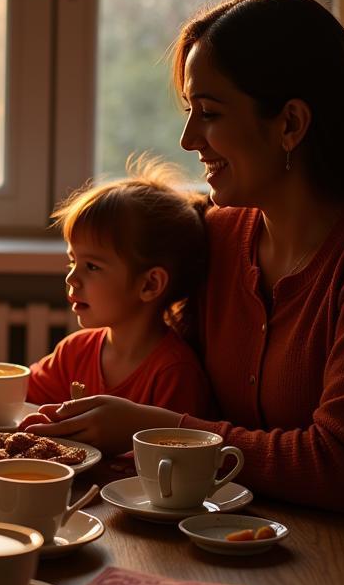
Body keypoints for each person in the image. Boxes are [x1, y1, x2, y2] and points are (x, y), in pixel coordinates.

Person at [28, 0, 344, 585]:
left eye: (208, 111)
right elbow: (153, 353)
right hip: (219, 562)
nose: (185, 137)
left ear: (291, 125)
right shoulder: (220, 236)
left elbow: (342, 467)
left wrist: (146, 427)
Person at [21, 159, 211, 421]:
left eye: (92, 266)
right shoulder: (75, 351)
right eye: (72, 261)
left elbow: (176, 455)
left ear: (149, 285)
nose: (72, 278)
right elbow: (16, 401)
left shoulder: (174, 373)